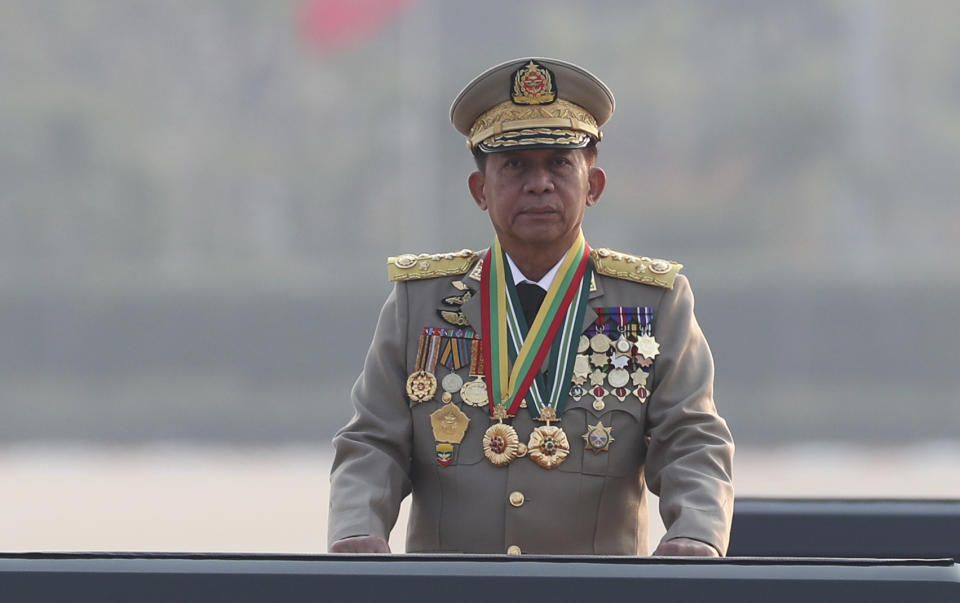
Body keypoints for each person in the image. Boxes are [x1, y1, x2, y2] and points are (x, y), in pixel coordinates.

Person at [327, 57, 734, 556]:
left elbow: (692, 441)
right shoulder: (422, 302)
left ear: (594, 185)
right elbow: (373, 442)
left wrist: (696, 534)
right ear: (480, 190)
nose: (538, 184)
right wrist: (356, 528)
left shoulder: (651, 303)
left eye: (559, 163)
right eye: (516, 165)